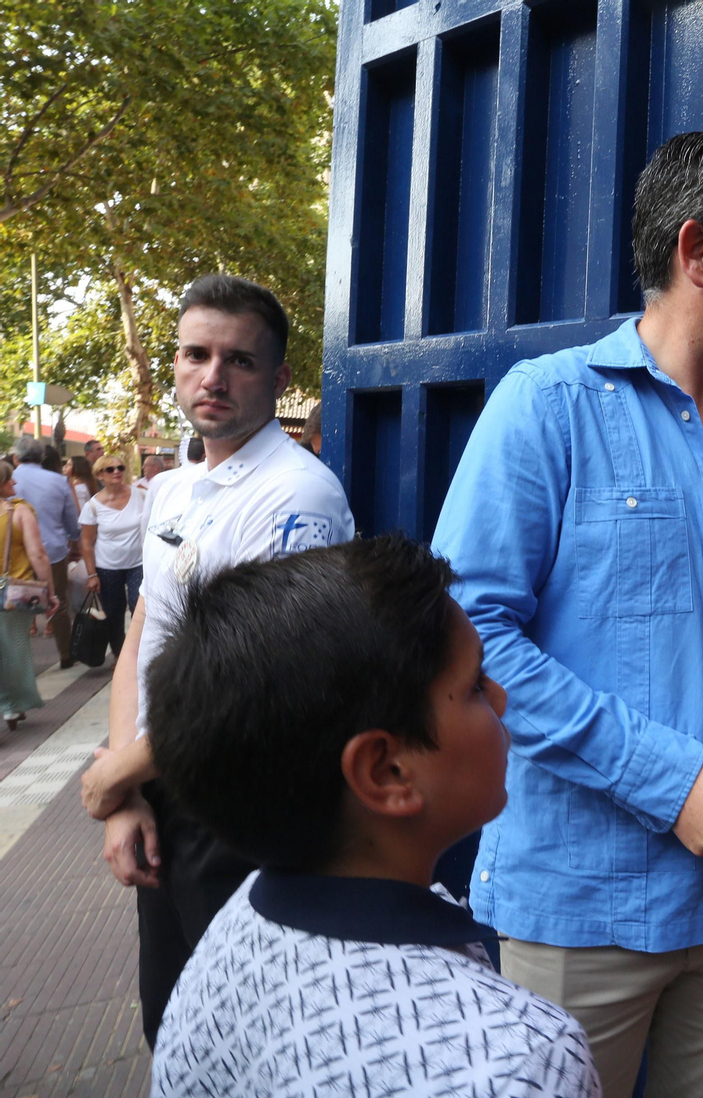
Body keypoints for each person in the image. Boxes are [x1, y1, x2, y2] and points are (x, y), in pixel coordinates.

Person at [432, 130, 703, 1098]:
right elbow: (470, 637)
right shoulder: (542, 408)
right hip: (580, 909)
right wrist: (673, 783)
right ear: (696, 251)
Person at [143, 536, 600, 1097]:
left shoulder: (236, 926)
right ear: (386, 773)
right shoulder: (524, 1060)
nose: (501, 699)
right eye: (475, 685)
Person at [76, 273, 356, 1048]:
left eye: (238, 360)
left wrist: (117, 772)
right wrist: (126, 790)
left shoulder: (299, 495)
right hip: (162, 786)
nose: (213, 376)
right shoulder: (169, 490)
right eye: (196, 354)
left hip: (240, 806)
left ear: (278, 378)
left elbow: (268, 683)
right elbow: (142, 637)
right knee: (172, 1025)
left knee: (244, 1036)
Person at [0, 461, 61, 730]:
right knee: (14, 651)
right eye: (8, 480)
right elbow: (37, 554)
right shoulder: (18, 510)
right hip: (12, 594)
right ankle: (11, 706)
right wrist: (50, 591)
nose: (14, 484)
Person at [12, 436, 80, 669]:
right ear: (42, 457)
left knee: (18, 607)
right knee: (59, 602)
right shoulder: (58, 481)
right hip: (53, 550)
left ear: (15, 457)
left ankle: (23, 661)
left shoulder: (8, 480)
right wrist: (75, 539)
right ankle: (65, 653)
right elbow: (71, 519)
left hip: (15, 555)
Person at [80, 453, 146, 658]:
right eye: (110, 469)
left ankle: (141, 652)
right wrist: (92, 575)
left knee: (139, 605)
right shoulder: (92, 506)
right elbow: (87, 543)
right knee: (114, 613)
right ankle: (121, 655)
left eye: (120, 468)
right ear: (100, 475)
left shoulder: (141, 495)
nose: (116, 472)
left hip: (138, 562)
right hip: (107, 566)